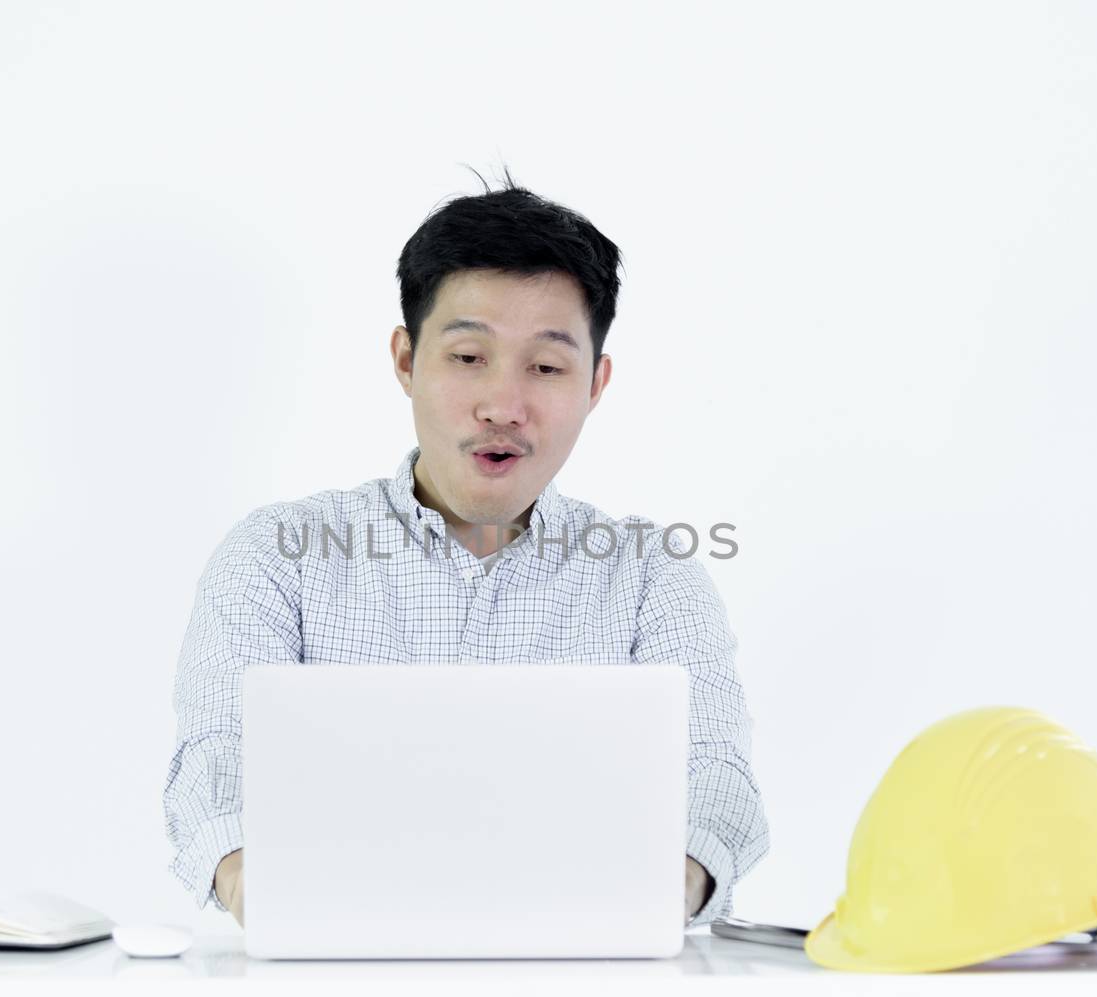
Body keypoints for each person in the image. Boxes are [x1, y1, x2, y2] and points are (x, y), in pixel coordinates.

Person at [162, 167, 769, 931]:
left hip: (594, 991)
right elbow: (215, 763)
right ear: (407, 360)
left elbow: (716, 777)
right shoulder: (277, 558)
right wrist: (271, 892)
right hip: (328, 990)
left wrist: (658, 893)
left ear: (596, 383)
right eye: (468, 356)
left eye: (546, 367)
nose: (503, 407)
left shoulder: (652, 578)